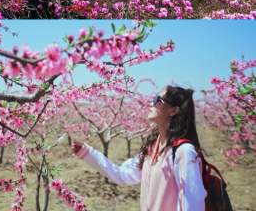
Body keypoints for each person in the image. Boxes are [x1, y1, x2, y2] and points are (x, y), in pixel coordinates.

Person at [71, 86, 207, 210]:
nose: (151, 104)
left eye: (157, 100)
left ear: (173, 110)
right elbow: (122, 175)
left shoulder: (183, 152)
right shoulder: (151, 149)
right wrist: (88, 153)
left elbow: (193, 204)